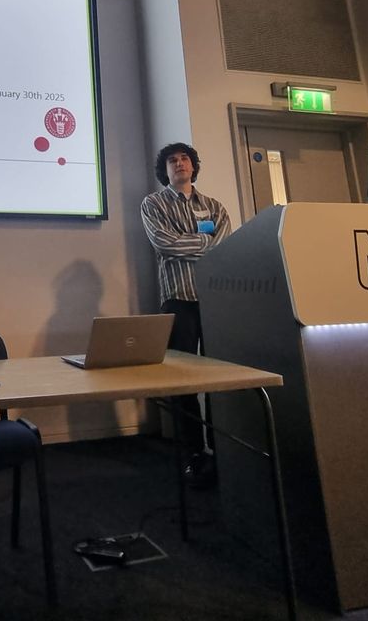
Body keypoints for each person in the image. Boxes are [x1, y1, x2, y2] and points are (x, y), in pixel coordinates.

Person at [141, 141, 231, 487]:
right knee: (184, 382)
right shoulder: (154, 203)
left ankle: (224, 451)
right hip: (178, 301)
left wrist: (189, 242)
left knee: (221, 379)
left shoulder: (214, 206)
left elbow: (225, 245)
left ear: (194, 166)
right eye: (172, 161)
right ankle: (192, 454)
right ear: (164, 170)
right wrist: (204, 244)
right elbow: (163, 243)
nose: (179, 163)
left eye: (185, 159)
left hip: (215, 301)